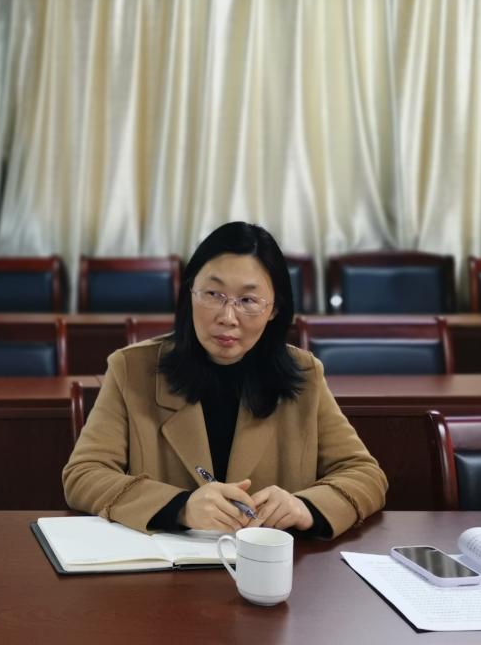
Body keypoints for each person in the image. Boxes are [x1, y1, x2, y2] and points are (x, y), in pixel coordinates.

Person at [63, 221, 387, 538]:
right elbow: (83, 474)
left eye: (248, 300)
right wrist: (180, 507)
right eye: (213, 294)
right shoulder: (132, 369)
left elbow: (365, 475)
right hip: (166, 567)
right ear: (190, 293)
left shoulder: (305, 374)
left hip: (271, 565)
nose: (227, 317)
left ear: (274, 309)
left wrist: (304, 507)